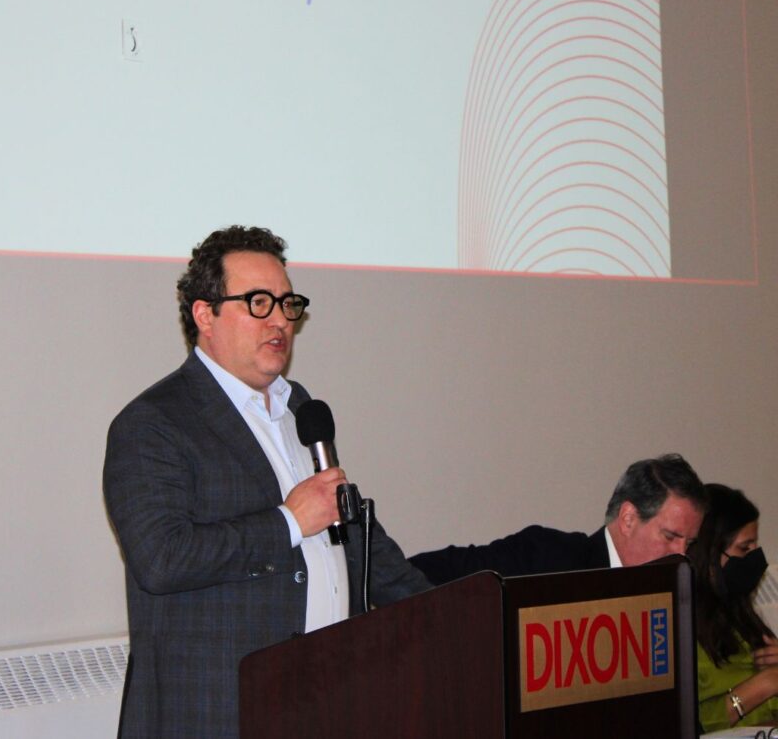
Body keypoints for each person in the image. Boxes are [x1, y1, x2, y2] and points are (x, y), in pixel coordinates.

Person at [103, 225, 431, 738]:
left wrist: (459, 619)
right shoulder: (154, 423)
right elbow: (162, 558)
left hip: (323, 700)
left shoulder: (301, 409)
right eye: (258, 302)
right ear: (204, 314)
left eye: (287, 303)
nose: (280, 320)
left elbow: (358, 543)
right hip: (219, 714)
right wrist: (288, 522)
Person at [410, 454, 707, 584]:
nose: (681, 555)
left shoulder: (677, 594)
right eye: (670, 537)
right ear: (628, 518)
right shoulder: (548, 557)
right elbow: (441, 570)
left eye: (688, 542)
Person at [688, 483, 778, 731]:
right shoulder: (681, 631)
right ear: (709, 552)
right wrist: (766, 683)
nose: (754, 558)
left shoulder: (742, 614)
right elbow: (693, 724)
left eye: (755, 546)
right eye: (744, 548)